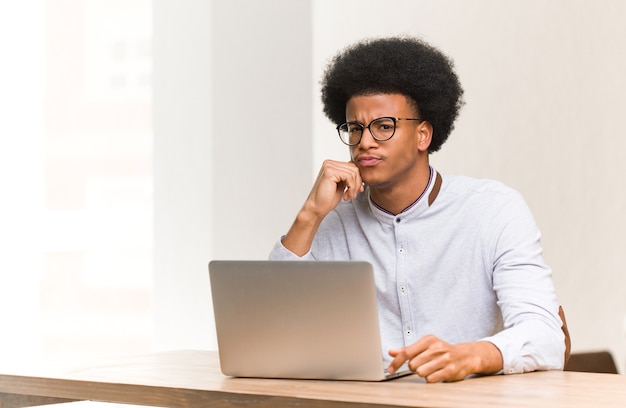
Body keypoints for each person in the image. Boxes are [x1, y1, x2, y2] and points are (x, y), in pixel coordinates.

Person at [269, 36, 566, 383]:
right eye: (354, 128)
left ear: (423, 135)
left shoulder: (493, 210)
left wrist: (469, 355)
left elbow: (546, 336)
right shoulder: (332, 219)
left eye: (384, 126)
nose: (364, 142)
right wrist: (309, 215)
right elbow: (274, 331)